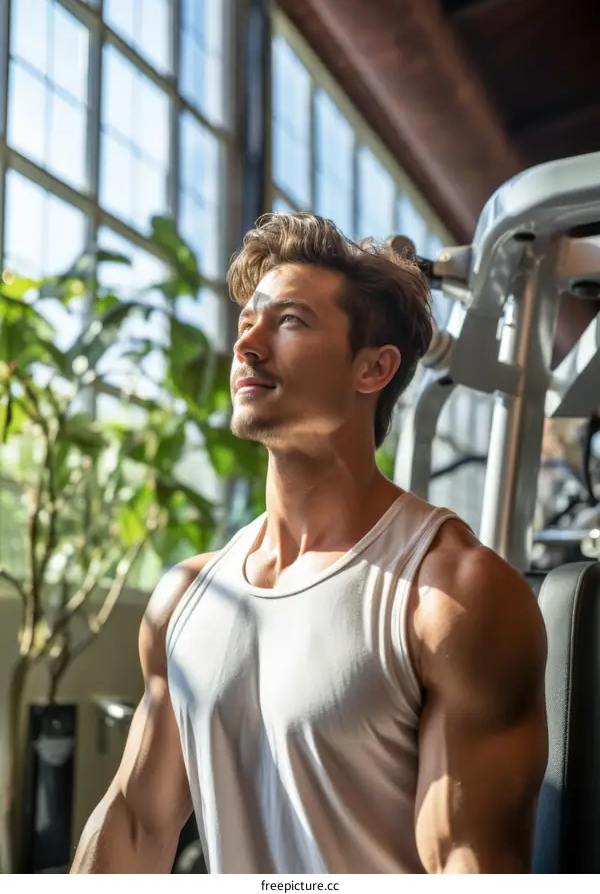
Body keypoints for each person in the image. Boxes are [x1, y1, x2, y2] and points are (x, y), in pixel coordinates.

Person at [71, 214, 548, 874]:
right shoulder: (184, 599)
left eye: (290, 321)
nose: (247, 344)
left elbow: (468, 866)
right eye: (248, 322)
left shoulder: (452, 597)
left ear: (373, 368)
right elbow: (134, 822)